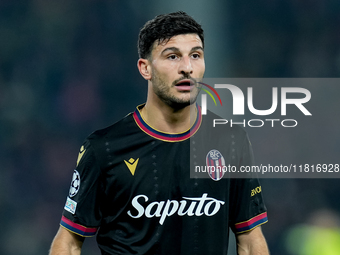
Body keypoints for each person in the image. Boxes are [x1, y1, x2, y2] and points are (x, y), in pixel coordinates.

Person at [49, 11, 269, 255]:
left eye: (195, 55)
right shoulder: (104, 149)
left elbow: (249, 240)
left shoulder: (230, 141)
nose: (187, 68)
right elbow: (68, 243)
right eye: (173, 56)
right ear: (145, 69)